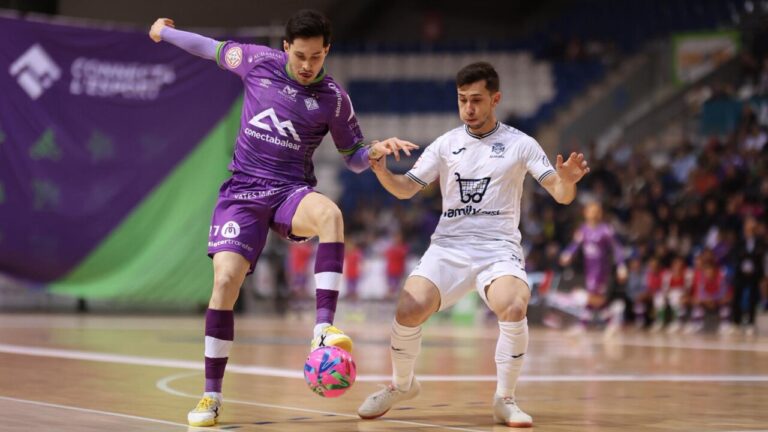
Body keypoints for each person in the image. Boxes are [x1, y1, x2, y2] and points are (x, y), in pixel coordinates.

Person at [148, 10, 417, 427]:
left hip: (290, 191)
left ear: (326, 51)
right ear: (286, 48)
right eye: (301, 56)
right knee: (223, 283)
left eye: (317, 56)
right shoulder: (257, 62)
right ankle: (211, 397)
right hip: (242, 193)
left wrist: (375, 151)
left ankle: (323, 330)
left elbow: (355, 159)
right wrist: (166, 32)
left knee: (330, 214)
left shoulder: (334, 98)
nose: (308, 65)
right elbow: (209, 48)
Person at [356, 62, 589, 428]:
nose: (468, 108)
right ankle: (402, 386)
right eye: (462, 100)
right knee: (408, 308)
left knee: (513, 306)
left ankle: (505, 399)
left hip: (498, 248)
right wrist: (383, 171)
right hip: (449, 247)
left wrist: (568, 181)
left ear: (495, 99)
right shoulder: (447, 144)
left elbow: (560, 194)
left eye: (477, 100)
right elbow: (406, 189)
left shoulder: (520, 143)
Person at [559, 202, 627, 331]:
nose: (593, 213)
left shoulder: (606, 230)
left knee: (593, 297)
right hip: (589, 269)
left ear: (600, 213)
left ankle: (585, 324)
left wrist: (621, 266)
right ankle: (610, 320)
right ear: (585, 213)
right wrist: (567, 254)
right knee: (595, 298)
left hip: (601, 269)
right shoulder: (583, 230)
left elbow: (617, 248)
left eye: (596, 211)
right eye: (591, 210)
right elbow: (575, 245)